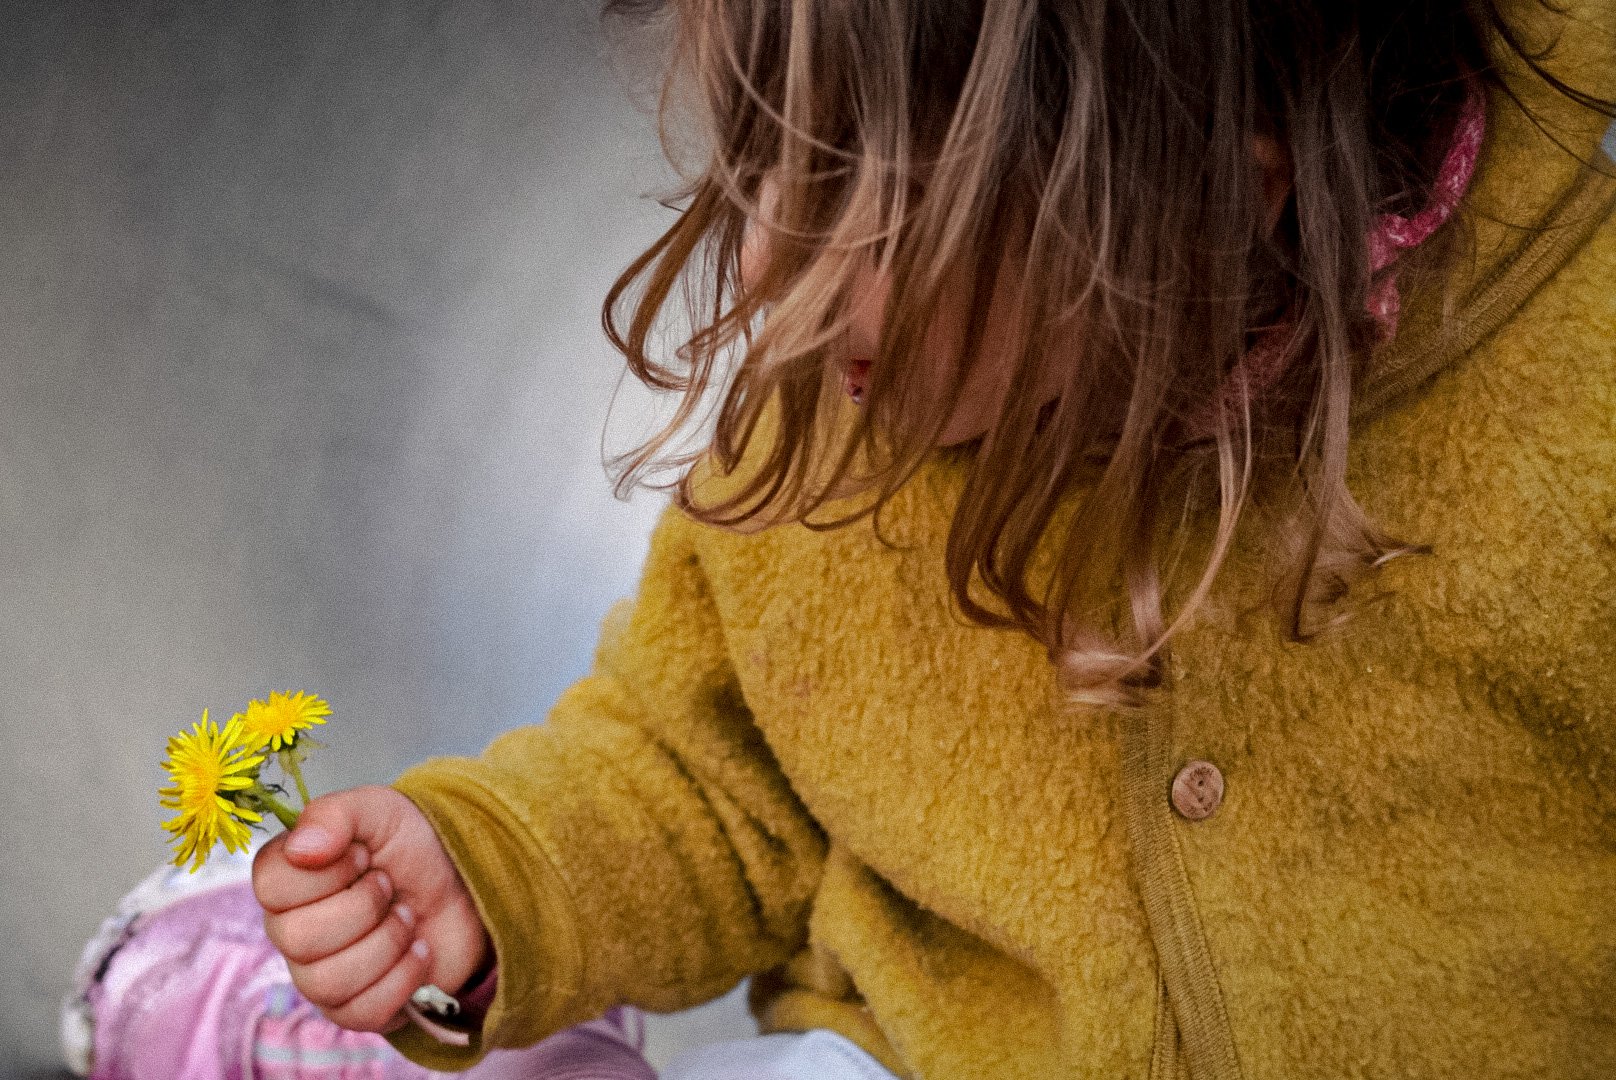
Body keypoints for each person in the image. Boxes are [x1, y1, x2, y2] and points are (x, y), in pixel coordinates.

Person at [245, 0, 1616, 1077]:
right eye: (764, 155)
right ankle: (233, 1004)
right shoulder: (841, 402)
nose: (771, 264)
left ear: (1194, 209)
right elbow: (705, 774)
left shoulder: (1569, 390)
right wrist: (493, 875)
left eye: (855, 203)